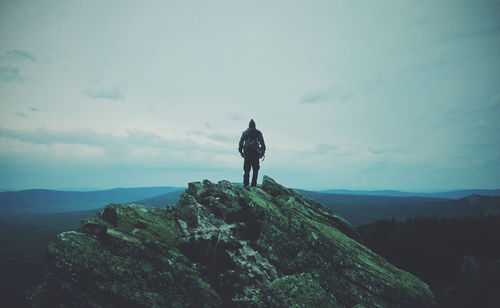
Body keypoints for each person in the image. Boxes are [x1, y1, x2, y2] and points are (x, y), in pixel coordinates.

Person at [238, 119, 266, 187]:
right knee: (255, 170)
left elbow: (241, 143)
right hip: (255, 153)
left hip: (247, 153)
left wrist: (241, 152)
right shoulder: (258, 132)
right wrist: (262, 153)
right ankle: (253, 185)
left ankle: (246, 185)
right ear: (255, 126)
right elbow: (263, 144)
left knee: (246, 170)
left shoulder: (245, 132)